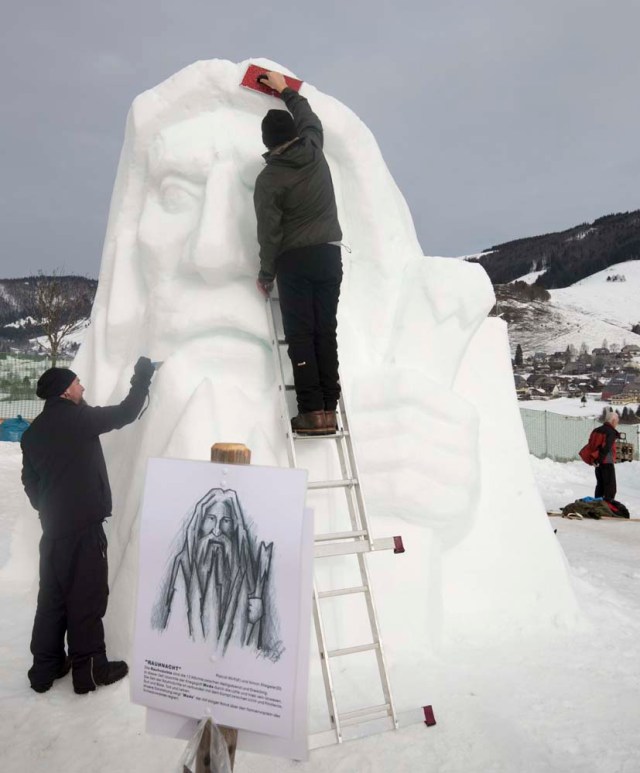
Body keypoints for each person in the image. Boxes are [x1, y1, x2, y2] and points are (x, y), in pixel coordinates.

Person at [20, 357, 155, 694]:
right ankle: (91, 669)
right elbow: (126, 412)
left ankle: (45, 668)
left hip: (52, 532)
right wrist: (142, 376)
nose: (83, 387)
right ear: (66, 391)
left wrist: (48, 507)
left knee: (52, 598)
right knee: (86, 597)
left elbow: (29, 482)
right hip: (83, 529)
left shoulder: (32, 434)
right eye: (78, 382)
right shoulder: (79, 419)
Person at [253, 70, 343, 436]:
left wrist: (266, 273)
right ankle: (330, 409)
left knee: (302, 334)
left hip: (295, 262)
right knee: (326, 331)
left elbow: (269, 232)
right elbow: (310, 117)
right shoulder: (314, 147)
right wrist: (285, 91)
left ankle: (311, 412)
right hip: (329, 256)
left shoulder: (270, 179)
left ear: (269, 143)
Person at [592, 410, 621, 501]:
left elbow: (591, 445)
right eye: (616, 421)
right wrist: (600, 459)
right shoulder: (610, 432)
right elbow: (606, 447)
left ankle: (598, 504)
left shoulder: (597, 430)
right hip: (606, 461)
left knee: (600, 484)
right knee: (610, 486)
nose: (617, 424)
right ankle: (608, 506)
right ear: (612, 421)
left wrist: (596, 460)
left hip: (597, 461)